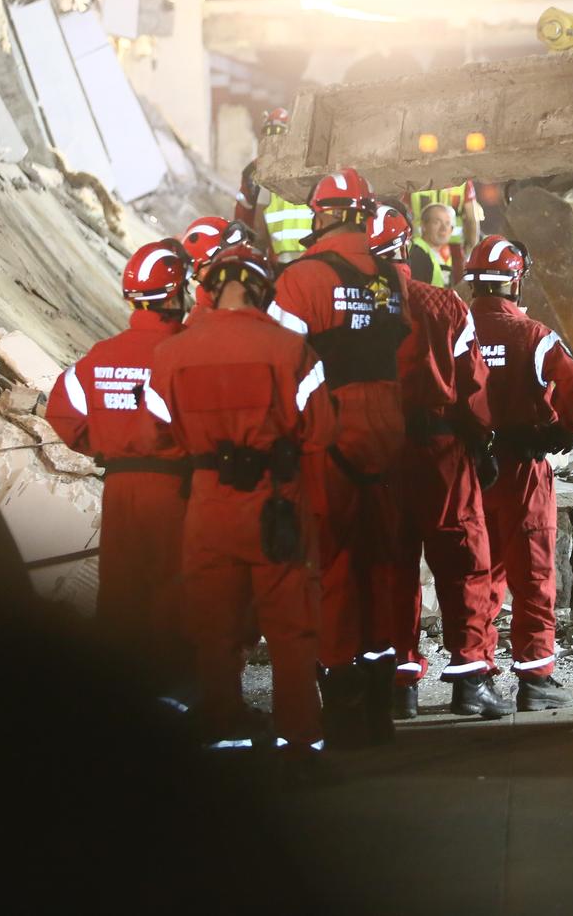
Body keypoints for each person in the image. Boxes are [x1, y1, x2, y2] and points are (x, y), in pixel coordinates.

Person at [150, 244, 332, 768]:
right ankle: (300, 744)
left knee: (213, 626)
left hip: (207, 503)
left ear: (207, 288)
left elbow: (158, 432)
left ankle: (222, 731)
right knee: (290, 628)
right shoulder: (291, 350)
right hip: (274, 503)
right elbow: (321, 430)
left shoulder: (170, 354)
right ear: (262, 288)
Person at [269, 168, 409, 747]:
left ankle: (343, 691)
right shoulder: (392, 278)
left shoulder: (300, 279)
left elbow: (278, 363)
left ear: (321, 213)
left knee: (330, 563)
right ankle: (382, 694)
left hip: (331, 427)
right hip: (389, 430)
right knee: (382, 562)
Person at [366, 204, 514, 722]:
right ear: (406, 247)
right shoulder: (445, 304)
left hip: (379, 455)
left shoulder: (358, 309)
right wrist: (481, 444)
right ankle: (471, 681)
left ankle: (399, 684)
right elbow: (473, 386)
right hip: (442, 454)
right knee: (463, 562)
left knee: (393, 567)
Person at [45, 240, 194, 691]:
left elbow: (63, 412)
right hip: (175, 488)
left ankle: (119, 697)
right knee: (173, 590)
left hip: (120, 486)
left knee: (121, 591)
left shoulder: (100, 356)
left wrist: (105, 445)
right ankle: (175, 699)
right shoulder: (187, 352)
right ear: (175, 295)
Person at [467, 235, 573, 710]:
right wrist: (565, 429)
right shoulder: (534, 335)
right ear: (515, 281)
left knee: (479, 575)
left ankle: (475, 678)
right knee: (534, 574)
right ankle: (535, 679)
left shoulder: (453, 325)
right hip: (522, 470)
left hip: (470, 471)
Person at [239, 109, 310, 265]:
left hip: (280, 258)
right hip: (311, 256)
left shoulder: (264, 170)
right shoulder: (309, 164)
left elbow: (252, 218)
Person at [408, 200, 458, 288]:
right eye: (437, 222)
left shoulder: (440, 254)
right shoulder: (417, 253)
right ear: (423, 226)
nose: (444, 228)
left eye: (447, 223)